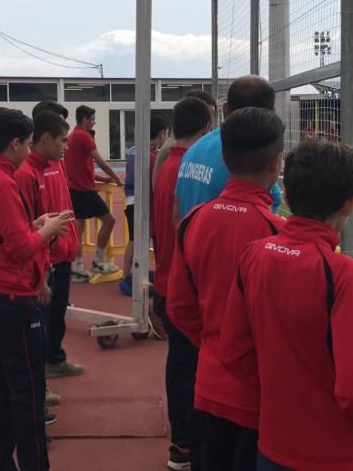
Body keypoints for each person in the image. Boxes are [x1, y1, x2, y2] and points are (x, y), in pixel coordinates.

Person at [221, 138, 353, 470]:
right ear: (350, 203)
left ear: (285, 195)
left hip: (273, 446)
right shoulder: (341, 271)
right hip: (336, 455)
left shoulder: (255, 254)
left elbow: (232, 350)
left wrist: (279, 398)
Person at [166, 108, 287, 471]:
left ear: (223, 157)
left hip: (208, 387)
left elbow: (179, 308)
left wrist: (212, 345)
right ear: (276, 163)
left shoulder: (192, 222)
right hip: (257, 397)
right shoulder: (277, 235)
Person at [0, 108, 73, 471]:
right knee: (27, 388)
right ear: (15, 143)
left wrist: (35, 225)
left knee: (0, 380)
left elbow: (6, 234)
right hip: (10, 294)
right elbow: (21, 247)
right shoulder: (4, 182)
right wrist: (48, 230)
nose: (31, 150)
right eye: (28, 143)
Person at [150, 96, 214, 471]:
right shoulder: (187, 167)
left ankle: (184, 443)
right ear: (206, 127)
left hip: (168, 276)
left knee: (180, 364)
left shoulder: (169, 164)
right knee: (189, 366)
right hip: (181, 281)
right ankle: (187, 444)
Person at [15, 104, 85, 388]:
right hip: (45, 258)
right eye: (63, 140)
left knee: (56, 316)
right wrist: (41, 269)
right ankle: (38, 385)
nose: (66, 146)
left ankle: (55, 359)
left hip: (62, 253)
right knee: (39, 322)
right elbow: (27, 226)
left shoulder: (56, 163)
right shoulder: (25, 172)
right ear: (45, 138)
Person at [175, 76, 283, 218]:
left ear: (225, 110)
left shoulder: (193, 149)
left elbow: (176, 216)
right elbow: (264, 220)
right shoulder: (248, 156)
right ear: (272, 112)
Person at [64, 105, 124, 279]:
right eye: (92, 119)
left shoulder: (71, 137)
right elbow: (101, 162)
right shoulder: (84, 136)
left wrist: (103, 179)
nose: (94, 122)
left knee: (78, 230)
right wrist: (116, 178)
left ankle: (78, 266)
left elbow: (81, 168)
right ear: (84, 119)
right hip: (84, 191)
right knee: (110, 220)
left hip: (74, 189)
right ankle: (98, 260)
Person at [121, 112, 170, 290]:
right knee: (139, 240)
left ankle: (126, 275)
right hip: (143, 203)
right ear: (161, 134)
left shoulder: (133, 150)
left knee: (135, 239)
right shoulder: (152, 157)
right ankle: (127, 278)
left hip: (132, 200)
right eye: (166, 134)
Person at [154, 91, 218, 187]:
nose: (210, 121)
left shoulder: (195, 146)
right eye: (205, 114)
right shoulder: (173, 151)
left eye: (212, 114)